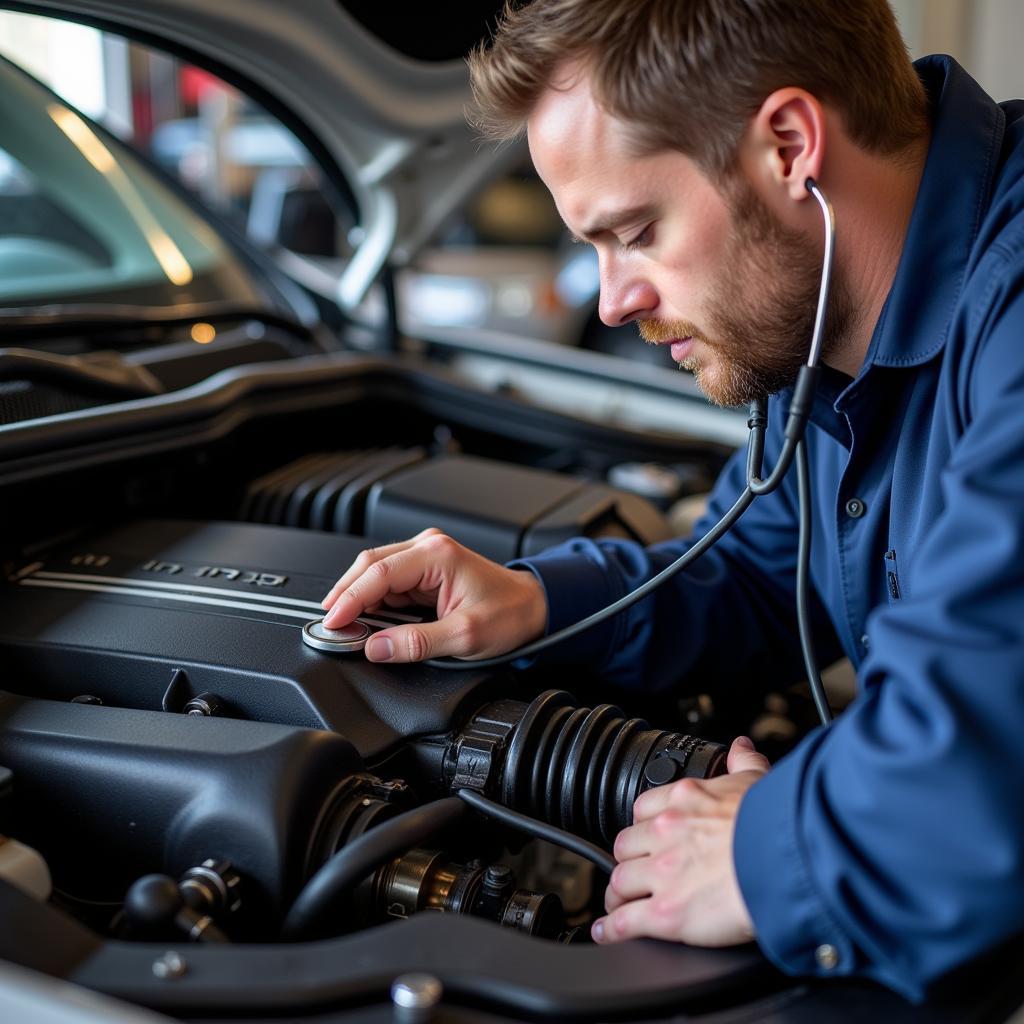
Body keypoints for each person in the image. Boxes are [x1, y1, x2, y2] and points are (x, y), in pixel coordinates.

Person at [321, 0, 1024, 1001]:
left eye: (636, 232)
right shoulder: (815, 313)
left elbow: (987, 762)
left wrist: (764, 851)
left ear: (788, 143)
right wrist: (532, 601)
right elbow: (749, 571)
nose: (612, 300)